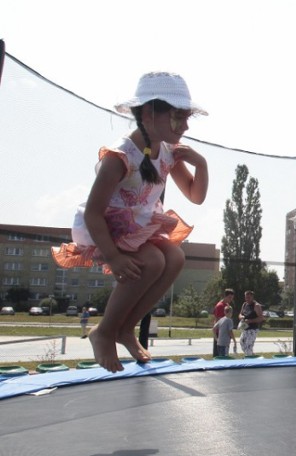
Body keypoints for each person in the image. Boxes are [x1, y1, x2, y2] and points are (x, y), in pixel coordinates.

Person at [51, 72, 209, 372]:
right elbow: (93, 212)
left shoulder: (167, 152)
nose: (185, 126)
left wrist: (200, 163)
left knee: (174, 257)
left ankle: (127, 328)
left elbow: (195, 195)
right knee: (152, 260)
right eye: (178, 117)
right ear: (149, 113)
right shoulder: (120, 156)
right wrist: (113, 256)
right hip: (105, 230)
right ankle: (104, 331)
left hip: (137, 227)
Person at [238, 290, 265, 356]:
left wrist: (250, 321)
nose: (247, 299)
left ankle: (249, 360)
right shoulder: (244, 304)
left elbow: (261, 318)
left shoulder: (256, 305)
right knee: (242, 342)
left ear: (252, 297)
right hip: (244, 328)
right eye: (246, 297)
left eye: (249, 297)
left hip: (252, 329)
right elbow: (240, 314)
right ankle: (252, 356)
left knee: (248, 346)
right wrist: (241, 317)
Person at [212, 289, 235, 357]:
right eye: (229, 297)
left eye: (232, 298)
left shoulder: (227, 305)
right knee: (219, 353)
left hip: (225, 333)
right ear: (225, 296)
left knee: (225, 352)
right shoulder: (220, 306)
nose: (231, 299)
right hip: (220, 333)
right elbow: (218, 320)